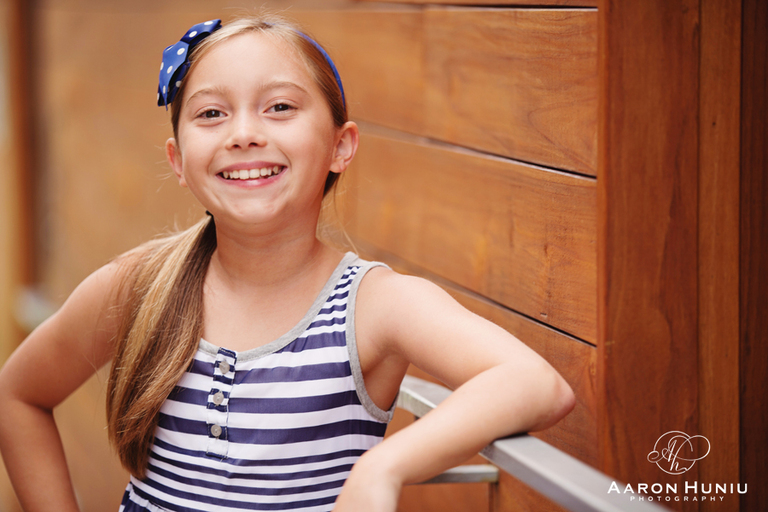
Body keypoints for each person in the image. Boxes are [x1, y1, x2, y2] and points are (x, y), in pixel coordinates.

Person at [0, 14, 575, 512]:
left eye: (279, 107)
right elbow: (17, 394)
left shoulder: (372, 304)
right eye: (210, 114)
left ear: (340, 146)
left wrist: (383, 469)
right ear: (177, 159)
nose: (244, 134)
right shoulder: (138, 285)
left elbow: (534, 383)